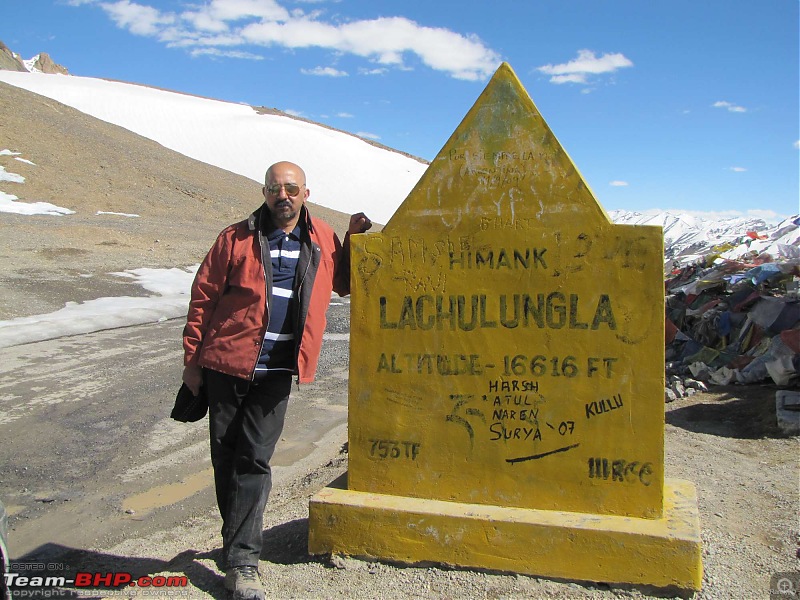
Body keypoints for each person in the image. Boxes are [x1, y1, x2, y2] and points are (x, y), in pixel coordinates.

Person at [181, 161, 371, 600]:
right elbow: (203, 297)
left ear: (306, 192)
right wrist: (192, 360)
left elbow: (343, 283)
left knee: (255, 459)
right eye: (274, 188)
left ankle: (244, 561)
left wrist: (355, 240)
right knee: (226, 460)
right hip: (225, 366)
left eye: (291, 188)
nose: (282, 196)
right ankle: (237, 544)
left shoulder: (322, 237)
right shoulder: (235, 237)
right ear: (265, 193)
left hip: (278, 371)